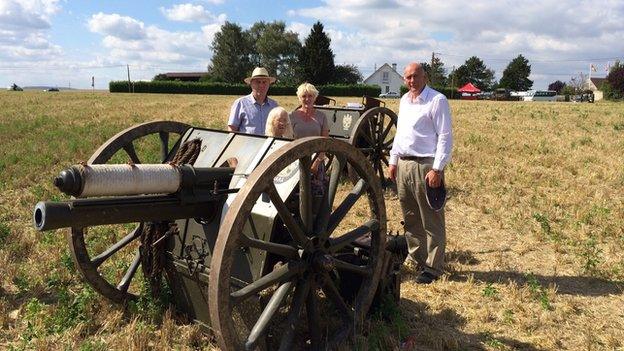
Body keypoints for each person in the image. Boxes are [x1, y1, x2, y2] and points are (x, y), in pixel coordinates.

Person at [388, 62, 453, 284]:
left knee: (431, 219)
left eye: (415, 76)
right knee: (411, 217)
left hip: (426, 165)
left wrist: (437, 169)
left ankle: (433, 268)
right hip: (405, 164)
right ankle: (417, 258)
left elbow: (445, 136)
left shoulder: (437, 100)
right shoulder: (405, 100)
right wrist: (393, 161)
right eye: (408, 77)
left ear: (425, 77)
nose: (412, 81)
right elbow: (400, 134)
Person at [290, 83, 329, 197]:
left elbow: (325, 142)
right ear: (299, 98)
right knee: (295, 194)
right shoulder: (292, 116)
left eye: (310, 96)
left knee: (315, 193)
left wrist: (316, 162)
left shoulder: (322, 116)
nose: (307, 99)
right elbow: (288, 140)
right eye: (304, 96)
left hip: (316, 160)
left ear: (315, 97)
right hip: (296, 160)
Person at [227, 67, 278, 135]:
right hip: (246, 145)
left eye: (264, 82)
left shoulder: (274, 106)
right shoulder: (240, 103)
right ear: (251, 84)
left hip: (268, 145)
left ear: (269, 84)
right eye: (258, 82)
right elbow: (232, 129)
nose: (261, 85)